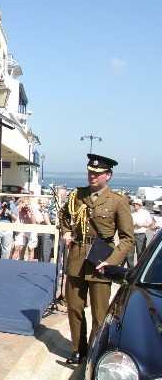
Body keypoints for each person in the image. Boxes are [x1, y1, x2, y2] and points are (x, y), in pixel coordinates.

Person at [58, 153, 134, 365]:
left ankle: (94, 350)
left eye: (98, 173)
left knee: (99, 314)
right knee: (74, 307)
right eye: (90, 172)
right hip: (77, 258)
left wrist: (112, 261)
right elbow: (63, 216)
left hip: (101, 260)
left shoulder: (118, 200)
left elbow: (128, 238)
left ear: (108, 175)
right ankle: (78, 349)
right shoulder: (77, 195)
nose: (92, 176)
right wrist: (66, 231)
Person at [128, 198, 152, 268]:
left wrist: (141, 224)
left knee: (140, 253)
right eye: (133, 204)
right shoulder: (131, 212)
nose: (134, 205)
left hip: (141, 235)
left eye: (136, 204)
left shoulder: (145, 213)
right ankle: (130, 269)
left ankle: (139, 269)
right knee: (129, 254)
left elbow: (149, 223)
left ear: (139, 205)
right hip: (132, 234)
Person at [37, 198, 55, 262]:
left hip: (47, 231)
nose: (42, 205)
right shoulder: (38, 211)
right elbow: (38, 221)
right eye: (40, 203)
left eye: (43, 203)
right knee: (42, 251)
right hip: (40, 233)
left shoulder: (49, 209)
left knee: (50, 250)